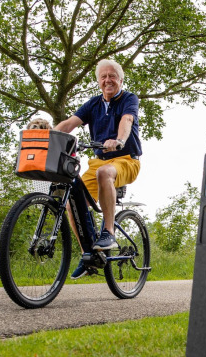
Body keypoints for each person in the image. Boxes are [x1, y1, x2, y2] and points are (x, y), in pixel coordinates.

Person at [55, 59, 142, 278]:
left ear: (120, 79)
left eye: (112, 76)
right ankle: (88, 256)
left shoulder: (128, 99)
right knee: (72, 200)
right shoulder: (93, 104)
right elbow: (69, 124)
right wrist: (47, 136)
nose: (107, 80)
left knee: (105, 172)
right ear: (98, 81)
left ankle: (109, 232)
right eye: (103, 77)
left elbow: (127, 120)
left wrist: (119, 139)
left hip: (126, 160)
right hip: (98, 162)